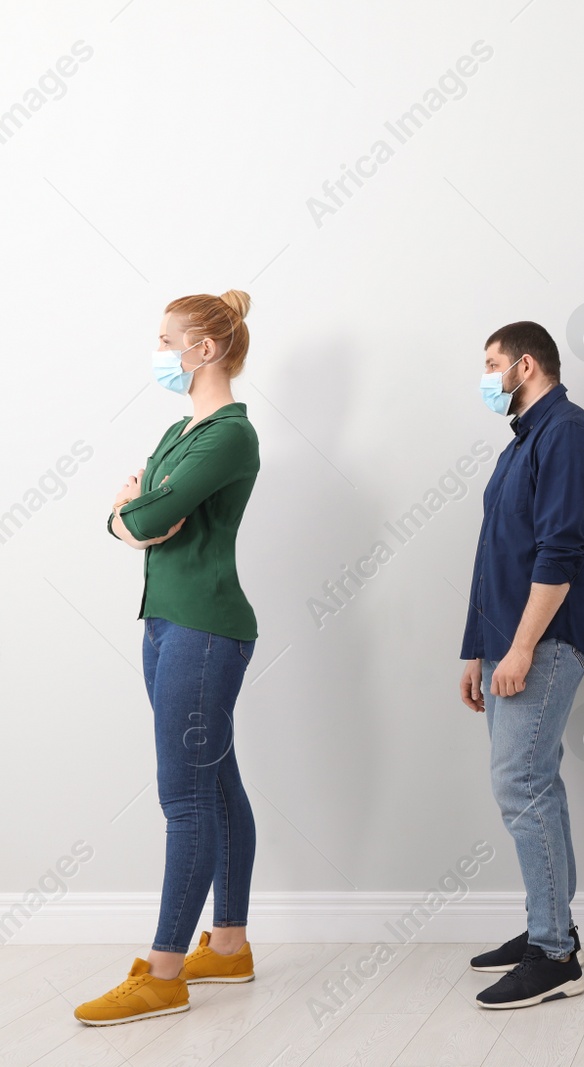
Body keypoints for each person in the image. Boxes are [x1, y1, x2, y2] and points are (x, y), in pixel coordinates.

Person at [76, 291, 262, 1025]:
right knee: (216, 785)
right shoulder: (177, 430)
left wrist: (133, 511)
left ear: (204, 350)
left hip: (206, 627)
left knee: (182, 797)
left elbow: (146, 513)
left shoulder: (229, 436)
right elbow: (138, 514)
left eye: (165, 340)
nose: (158, 352)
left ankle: (164, 971)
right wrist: (134, 513)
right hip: (165, 624)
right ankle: (230, 943)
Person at [460, 321, 584, 1010]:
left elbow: (560, 551)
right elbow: (492, 552)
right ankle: (550, 927)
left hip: (544, 641)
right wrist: (476, 647)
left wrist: (519, 648)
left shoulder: (569, 433)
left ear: (525, 364)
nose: (486, 377)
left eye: (492, 364)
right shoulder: (518, 446)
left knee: (521, 781)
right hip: (506, 642)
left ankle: (555, 954)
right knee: (530, 782)